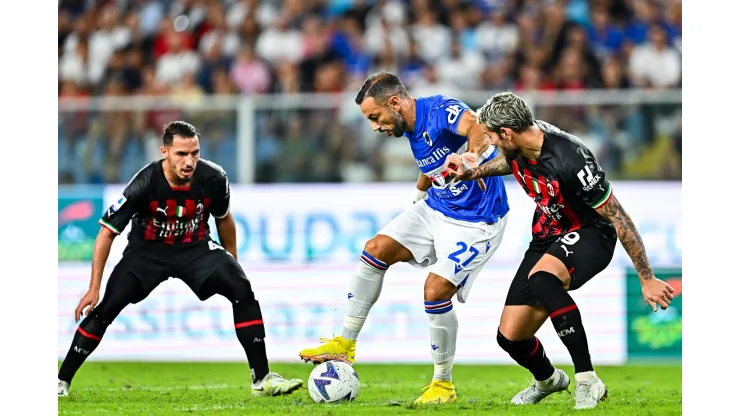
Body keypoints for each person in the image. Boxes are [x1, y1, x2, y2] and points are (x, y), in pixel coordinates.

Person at [443, 92, 675, 410]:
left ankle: (587, 379)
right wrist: (473, 171)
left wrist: (646, 278)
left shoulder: (572, 159)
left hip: (591, 234)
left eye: (493, 137)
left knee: (542, 278)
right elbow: (508, 161)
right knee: (510, 337)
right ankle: (549, 380)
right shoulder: (520, 142)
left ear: (507, 133)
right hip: (547, 236)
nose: (491, 143)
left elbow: (619, 218)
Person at [299, 72, 510, 404]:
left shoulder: (440, 110)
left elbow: (477, 127)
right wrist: (418, 195)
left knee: (435, 290)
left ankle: (443, 384)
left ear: (394, 103)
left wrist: (471, 156)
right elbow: (432, 160)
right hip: (437, 208)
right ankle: (346, 343)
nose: (375, 126)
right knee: (375, 249)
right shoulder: (410, 128)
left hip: (478, 222)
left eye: (375, 117)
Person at [58, 121, 303, 398]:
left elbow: (224, 221)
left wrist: (232, 263)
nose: (189, 162)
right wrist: (93, 287)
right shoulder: (145, 183)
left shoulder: (213, 178)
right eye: (181, 154)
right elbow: (106, 233)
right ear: (164, 151)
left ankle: (262, 380)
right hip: (146, 253)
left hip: (194, 249)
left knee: (241, 289)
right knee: (107, 307)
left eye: (194, 153)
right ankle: (60, 382)